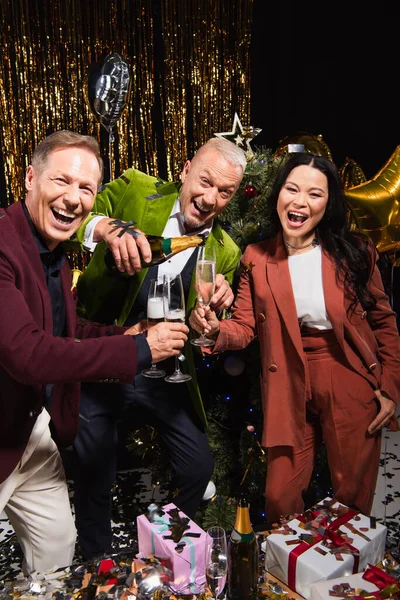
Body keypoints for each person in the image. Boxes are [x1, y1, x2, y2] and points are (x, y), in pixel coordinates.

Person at [0, 130, 188, 575]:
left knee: (58, 551)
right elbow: (27, 353)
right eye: (61, 181)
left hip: (31, 432)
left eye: (85, 188)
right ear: (29, 178)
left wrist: (126, 334)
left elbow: (66, 331)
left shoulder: (54, 254)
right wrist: (141, 351)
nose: (73, 198)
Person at [189, 152, 400, 525]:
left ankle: (339, 578)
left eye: (314, 194)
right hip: (286, 378)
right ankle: (294, 575)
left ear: (327, 203)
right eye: (292, 189)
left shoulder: (355, 252)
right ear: (278, 195)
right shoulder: (257, 257)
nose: (300, 202)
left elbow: (384, 322)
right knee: (279, 496)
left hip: (347, 373)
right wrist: (215, 329)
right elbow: (244, 326)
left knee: (352, 494)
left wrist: (389, 387)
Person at [70, 136, 247, 560]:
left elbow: (204, 331)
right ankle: (98, 562)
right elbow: (74, 220)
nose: (209, 198)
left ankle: (154, 548)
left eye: (225, 192)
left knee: (198, 467)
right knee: (95, 464)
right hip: (104, 361)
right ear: (185, 170)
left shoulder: (225, 252)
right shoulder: (135, 189)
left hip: (162, 377)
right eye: (205, 181)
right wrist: (104, 228)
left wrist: (209, 323)